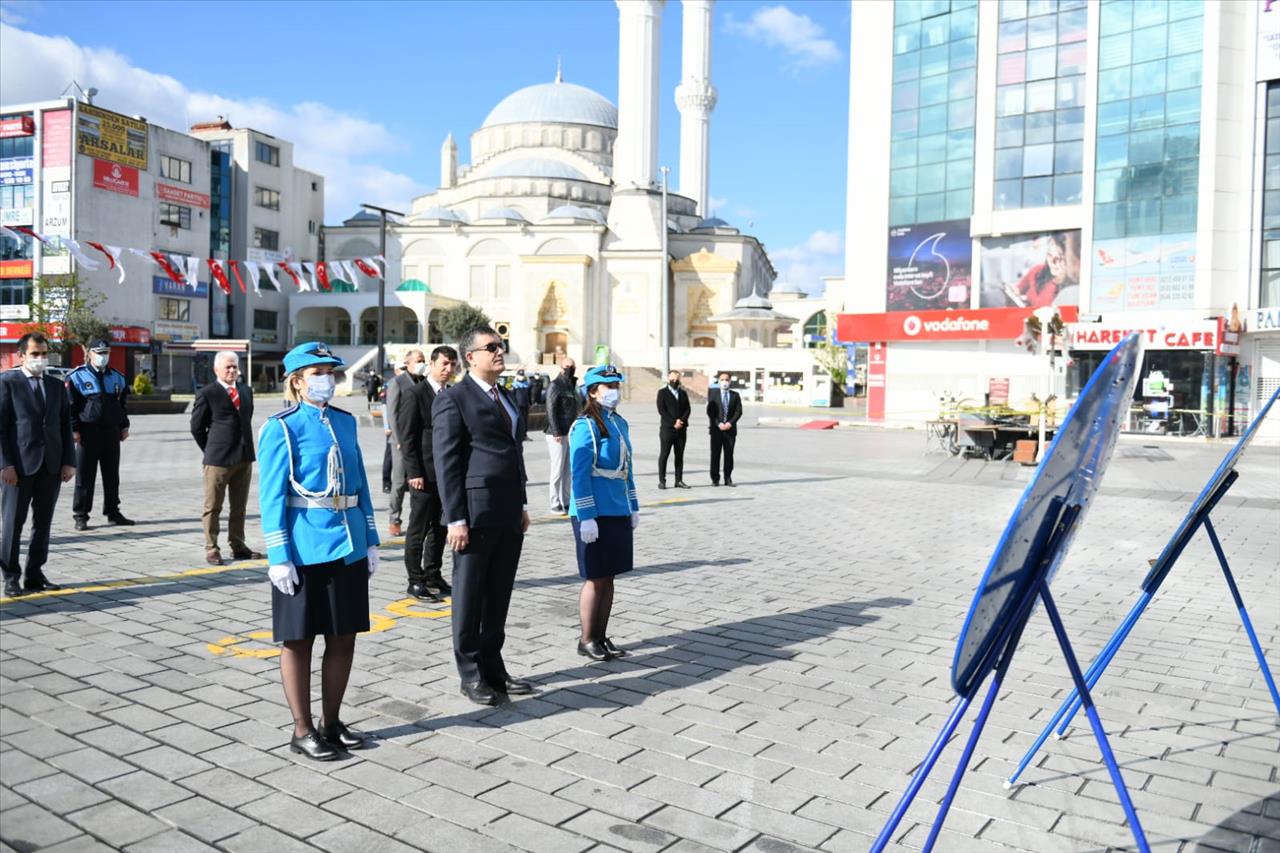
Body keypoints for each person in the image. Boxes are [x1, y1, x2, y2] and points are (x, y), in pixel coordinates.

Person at [258, 341, 379, 761]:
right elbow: (271, 496)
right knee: (298, 641)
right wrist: (278, 556)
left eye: (331, 372)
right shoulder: (281, 427)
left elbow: (359, 482)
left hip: (347, 545)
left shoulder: (345, 423)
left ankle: (332, 721)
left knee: (343, 636)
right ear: (297, 381)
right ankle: (302, 729)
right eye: (319, 373)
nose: (328, 379)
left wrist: (371, 539)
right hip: (304, 547)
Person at [432, 325, 533, 705]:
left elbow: (513, 454)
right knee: (470, 595)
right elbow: (447, 462)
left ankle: (494, 667)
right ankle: (470, 672)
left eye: (501, 345)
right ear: (469, 357)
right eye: (490, 347)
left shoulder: (504, 396)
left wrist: (521, 503)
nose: (499, 351)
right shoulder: (454, 398)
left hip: (506, 511)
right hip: (474, 514)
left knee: (498, 595)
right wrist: (455, 518)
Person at [569, 365, 639, 661]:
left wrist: (633, 506)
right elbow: (579, 473)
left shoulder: (618, 422)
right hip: (593, 513)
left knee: (609, 577)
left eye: (616, 385)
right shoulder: (584, 426)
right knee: (595, 577)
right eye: (608, 385)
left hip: (617, 508)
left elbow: (627, 468)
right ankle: (587, 638)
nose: (614, 391)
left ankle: (600, 635)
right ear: (593, 391)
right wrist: (586, 515)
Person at [0, 333, 76, 597]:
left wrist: (69, 461)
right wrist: (5, 464)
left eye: (44, 354)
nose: (40, 359)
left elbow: (65, 425)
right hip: (18, 468)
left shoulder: (56, 386)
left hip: (51, 466)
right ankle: (11, 577)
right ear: (21, 356)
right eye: (35, 354)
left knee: (43, 523)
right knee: (13, 524)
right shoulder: (7, 382)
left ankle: (35, 574)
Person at [190, 351, 263, 566]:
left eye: (234, 367)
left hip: (244, 457)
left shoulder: (246, 391)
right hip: (218, 460)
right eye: (227, 367)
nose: (232, 371)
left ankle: (238, 545)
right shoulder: (207, 393)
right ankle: (212, 548)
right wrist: (211, 449)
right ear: (216, 370)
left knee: (239, 506)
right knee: (213, 506)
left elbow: (245, 420)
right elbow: (196, 427)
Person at [398, 345, 457, 601]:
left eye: (453, 365)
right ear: (432, 364)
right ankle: (415, 580)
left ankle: (433, 574)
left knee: (439, 528)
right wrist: (414, 472)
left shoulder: (452, 394)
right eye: (444, 363)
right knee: (418, 528)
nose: (448, 369)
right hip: (423, 473)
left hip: (446, 474)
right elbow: (407, 437)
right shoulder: (416, 394)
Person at [66, 338, 134, 530]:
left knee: (112, 475)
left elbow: (122, 405)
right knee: (85, 477)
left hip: (111, 432)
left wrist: (124, 426)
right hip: (88, 433)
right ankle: (81, 515)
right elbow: (71, 407)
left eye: (106, 353)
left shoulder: (117, 377)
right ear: (89, 354)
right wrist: (74, 429)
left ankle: (113, 512)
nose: (103, 356)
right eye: (99, 352)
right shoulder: (77, 377)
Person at [385, 350, 425, 536]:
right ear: (407, 363)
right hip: (401, 441)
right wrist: (399, 440)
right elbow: (392, 413)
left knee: (418, 481)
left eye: (423, 360)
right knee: (400, 482)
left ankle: (418, 520)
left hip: (420, 440)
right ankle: (395, 519)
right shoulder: (397, 383)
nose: (421, 364)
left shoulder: (423, 382)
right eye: (418, 361)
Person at [544, 357, 580, 513]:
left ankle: (566, 500)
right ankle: (554, 502)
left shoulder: (573, 385)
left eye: (572, 366)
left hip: (570, 432)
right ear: (561, 367)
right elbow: (550, 409)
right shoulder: (555, 384)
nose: (569, 369)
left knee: (568, 470)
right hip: (556, 433)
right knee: (557, 470)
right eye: (567, 366)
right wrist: (556, 431)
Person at [1015, 232, 1077, 309]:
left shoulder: (1071, 286)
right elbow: (1018, 289)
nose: (1052, 263)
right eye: (1049, 255)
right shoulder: (1037, 270)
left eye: (1059, 258)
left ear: (1068, 257)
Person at [656, 369, 692, 490]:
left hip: (681, 429)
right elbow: (662, 410)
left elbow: (688, 409)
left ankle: (679, 480)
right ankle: (662, 481)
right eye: (672, 379)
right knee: (664, 455)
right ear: (668, 379)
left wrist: (681, 421)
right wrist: (673, 422)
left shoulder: (683, 393)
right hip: (667, 429)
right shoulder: (662, 393)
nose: (675, 381)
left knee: (679, 455)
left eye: (677, 379)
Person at [707, 371, 742, 486]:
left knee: (729, 455)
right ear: (719, 381)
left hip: (730, 431)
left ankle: (728, 478)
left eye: (727, 379)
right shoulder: (713, 394)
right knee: (715, 455)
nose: (724, 382)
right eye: (722, 380)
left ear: (730, 381)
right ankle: (715, 479)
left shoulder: (735, 395)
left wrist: (730, 423)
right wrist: (718, 424)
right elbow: (710, 411)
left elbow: (738, 411)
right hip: (716, 430)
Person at [511, 369, 532, 442]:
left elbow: (529, 395)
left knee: (525, 420)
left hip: (525, 405)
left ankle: (525, 435)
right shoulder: (514, 385)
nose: (521, 377)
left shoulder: (527, 384)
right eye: (520, 375)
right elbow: (512, 396)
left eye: (522, 375)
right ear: (517, 376)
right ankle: (518, 435)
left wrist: (530, 403)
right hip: (518, 406)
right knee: (518, 420)